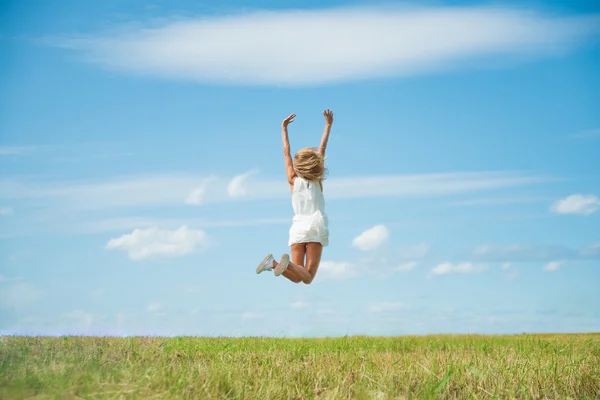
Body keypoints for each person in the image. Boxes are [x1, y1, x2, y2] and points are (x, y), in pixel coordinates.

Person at [256, 109, 334, 284]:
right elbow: (322, 148)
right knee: (307, 278)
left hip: (298, 227)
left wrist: (284, 128)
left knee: (297, 278)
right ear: (316, 165)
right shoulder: (317, 180)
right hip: (315, 226)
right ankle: (286, 264)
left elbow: (286, 153)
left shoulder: (292, 179)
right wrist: (328, 125)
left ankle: (273, 263)